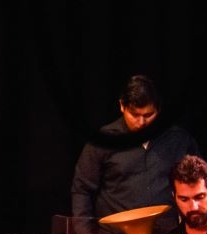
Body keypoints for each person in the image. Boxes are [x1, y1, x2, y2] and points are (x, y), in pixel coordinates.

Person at [71, 74, 199, 224]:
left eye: (148, 115)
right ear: (122, 106)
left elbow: (197, 183)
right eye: (134, 115)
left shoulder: (178, 139)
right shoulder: (103, 141)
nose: (141, 123)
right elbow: (82, 190)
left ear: (159, 109)